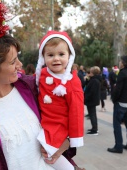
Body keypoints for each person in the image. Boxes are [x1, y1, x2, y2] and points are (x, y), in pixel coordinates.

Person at [0, 1, 84, 170]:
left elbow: (68, 112)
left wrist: (68, 141)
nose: (20, 65)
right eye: (13, 62)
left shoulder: (29, 86)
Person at [35, 31, 84, 170]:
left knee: (49, 157)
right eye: (50, 55)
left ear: (69, 56)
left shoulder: (72, 82)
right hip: (42, 124)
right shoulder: (41, 74)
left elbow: (77, 113)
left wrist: (73, 139)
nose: (56, 59)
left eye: (61, 54)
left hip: (58, 128)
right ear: (43, 57)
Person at [107, 55, 127, 153]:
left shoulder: (122, 73)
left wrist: (114, 99)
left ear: (124, 63)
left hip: (120, 103)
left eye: (120, 61)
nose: (119, 63)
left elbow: (118, 89)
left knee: (117, 125)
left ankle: (118, 146)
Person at [84, 66, 101, 135]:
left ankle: (95, 129)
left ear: (93, 73)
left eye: (90, 72)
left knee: (92, 114)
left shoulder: (94, 81)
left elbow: (91, 91)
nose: (89, 73)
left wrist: (86, 98)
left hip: (91, 100)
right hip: (93, 100)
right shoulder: (94, 80)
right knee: (92, 114)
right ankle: (94, 127)